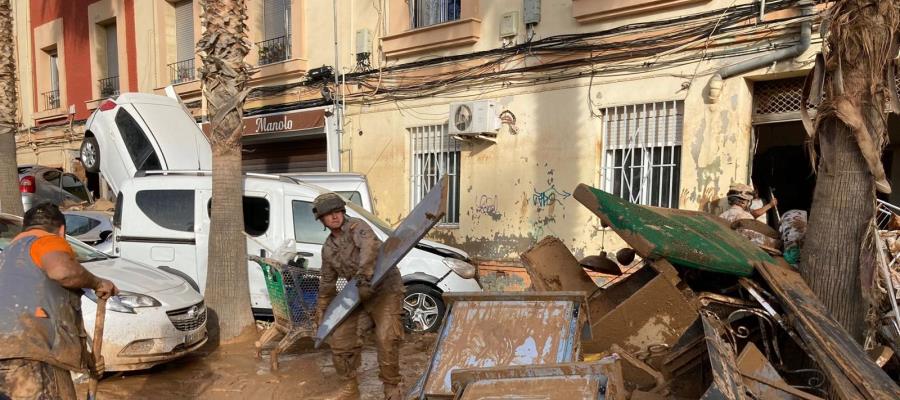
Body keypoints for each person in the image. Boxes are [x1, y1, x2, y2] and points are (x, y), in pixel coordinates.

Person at [0, 202, 118, 400]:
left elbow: (51, 317)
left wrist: (89, 361)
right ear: (62, 231)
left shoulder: (7, 257)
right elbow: (62, 272)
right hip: (34, 360)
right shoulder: (47, 240)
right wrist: (97, 283)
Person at [313, 193, 404, 400]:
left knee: (386, 338)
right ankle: (350, 387)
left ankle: (391, 388)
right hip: (358, 296)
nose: (334, 217)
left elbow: (369, 249)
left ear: (343, 212)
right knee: (340, 339)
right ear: (322, 220)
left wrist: (363, 278)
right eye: (328, 214)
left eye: (337, 211)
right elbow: (327, 281)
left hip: (384, 289)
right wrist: (322, 310)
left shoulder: (358, 227)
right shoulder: (328, 248)